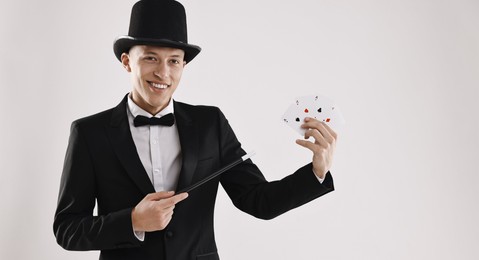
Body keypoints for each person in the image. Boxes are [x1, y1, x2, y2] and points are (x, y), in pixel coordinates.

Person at [53, 0, 337, 259]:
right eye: (151, 58)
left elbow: (258, 201)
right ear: (127, 61)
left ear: (183, 65)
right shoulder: (89, 133)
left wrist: (317, 172)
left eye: (174, 61)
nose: (163, 73)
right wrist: (133, 221)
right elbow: (67, 229)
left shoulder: (210, 124)